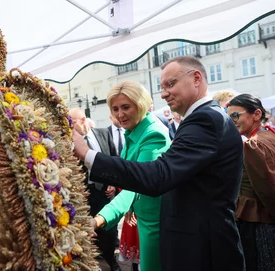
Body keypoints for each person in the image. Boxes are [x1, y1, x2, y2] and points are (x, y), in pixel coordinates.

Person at [72, 56, 245, 271]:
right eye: (162, 87)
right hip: (188, 236)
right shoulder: (201, 118)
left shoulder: (204, 120)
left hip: (199, 245)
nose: (164, 93)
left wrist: (88, 155)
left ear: (197, 78)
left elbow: (155, 176)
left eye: (170, 84)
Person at [94, 81, 170, 271]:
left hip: (156, 222)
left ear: (141, 104)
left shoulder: (153, 134)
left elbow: (135, 185)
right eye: (115, 108)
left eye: (126, 107)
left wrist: (99, 219)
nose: (120, 114)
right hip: (144, 217)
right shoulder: (134, 130)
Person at [68, 108, 121, 271]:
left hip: (105, 192)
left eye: (72, 122)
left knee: (110, 231)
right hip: (84, 195)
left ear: (83, 120)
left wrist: (113, 182)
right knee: (88, 232)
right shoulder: (69, 141)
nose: (69, 126)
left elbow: (114, 158)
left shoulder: (103, 133)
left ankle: (111, 261)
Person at [227, 94, 275, 271]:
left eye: (235, 115)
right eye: (229, 116)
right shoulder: (269, 135)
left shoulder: (253, 145)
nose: (232, 120)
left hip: (259, 222)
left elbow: (268, 190)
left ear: (256, 114)